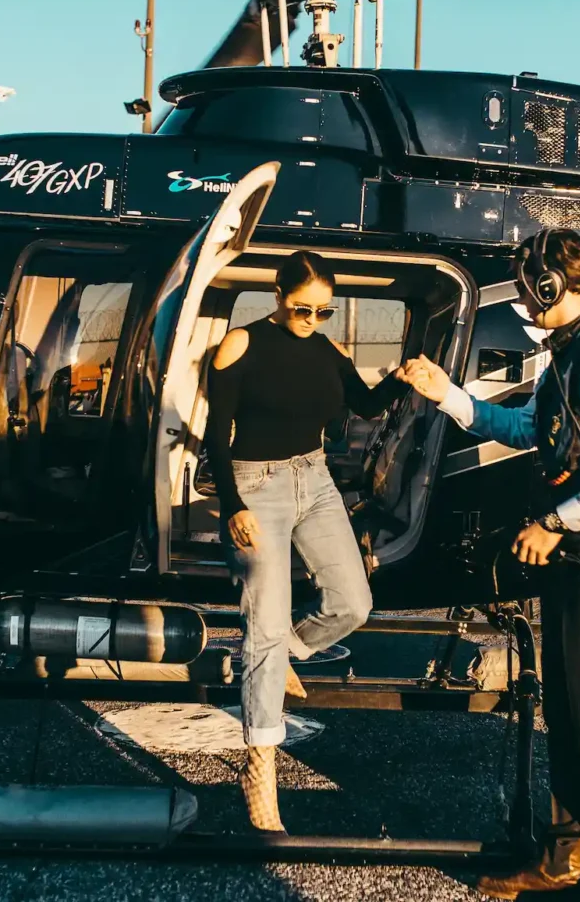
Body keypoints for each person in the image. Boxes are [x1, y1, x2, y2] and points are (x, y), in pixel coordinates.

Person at [398, 228, 580, 902]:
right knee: (568, 717)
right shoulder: (568, 360)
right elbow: (527, 431)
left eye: (527, 286)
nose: (522, 298)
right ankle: (562, 856)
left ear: (552, 285)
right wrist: (447, 394)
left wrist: (552, 522)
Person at [206, 250, 409, 833]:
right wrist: (232, 507)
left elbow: (365, 404)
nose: (312, 318)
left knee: (353, 601)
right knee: (262, 626)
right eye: (303, 308)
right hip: (255, 485)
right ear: (278, 295)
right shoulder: (240, 345)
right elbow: (217, 436)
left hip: (314, 479)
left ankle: (289, 652)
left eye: (324, 310)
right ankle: (259, 766)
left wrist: (401, 376)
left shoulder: (326, 348)